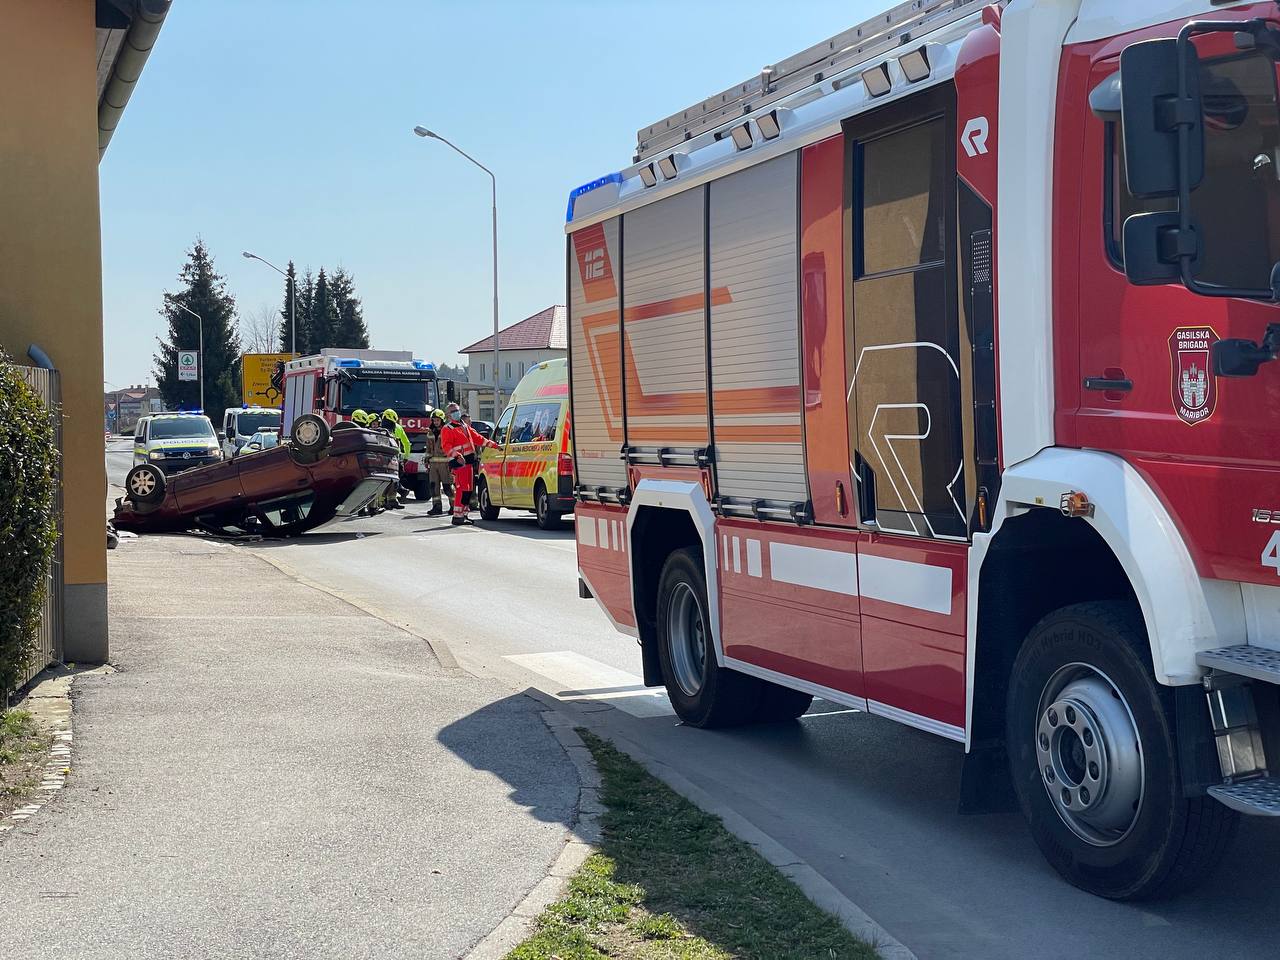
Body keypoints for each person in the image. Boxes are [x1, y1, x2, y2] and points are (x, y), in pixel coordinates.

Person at [440, 402, 499, 525]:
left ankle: (464, 514)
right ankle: (457, 516)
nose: (457, 412)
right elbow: (446, 447)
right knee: (461, 489)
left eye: (457, 410)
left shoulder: (464, 426)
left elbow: (478, 438)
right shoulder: (447, 429)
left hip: (468, 462)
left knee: (468, 489)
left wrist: (493, 445)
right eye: (453, 411)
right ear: (448, 415)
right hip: (459, 463)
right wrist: (457, 455)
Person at [423, 408, 453, 516]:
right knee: (433, 486)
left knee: (447, 486)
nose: (435, 422)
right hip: (433, 464)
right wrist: (427, 460)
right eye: (434, 420)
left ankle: (453, 506)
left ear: (442, 420)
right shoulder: (430, 432)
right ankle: (436, 506)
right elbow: (428, 449)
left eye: (437, 420)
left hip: (445, 464)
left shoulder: (447, 430)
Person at [381, 409, 413, 500]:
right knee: (394, 477)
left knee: (385, 478)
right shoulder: (399, 427)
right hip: (396, 457)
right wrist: (406, 457)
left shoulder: (380, 427)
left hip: (384, 457)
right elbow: (406, 443)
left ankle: (386, 500)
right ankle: (393, 497)